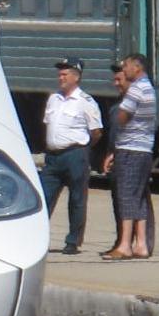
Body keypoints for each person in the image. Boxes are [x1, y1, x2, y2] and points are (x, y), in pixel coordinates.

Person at [40, 57, 103, 254]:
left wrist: (82, 149)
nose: (61, 78)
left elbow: (96, 132)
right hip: (53, 157)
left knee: (76, 199)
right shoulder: (53, 98)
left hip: (75, 155)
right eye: (60, 74)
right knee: (43, 198)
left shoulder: (85, 102)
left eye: (65, 74)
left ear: (76, 77)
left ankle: (73, 242)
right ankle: (38, 239)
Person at [103, 52, 157, 259]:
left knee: (126, 194)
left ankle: (125, 244)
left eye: (126, 66)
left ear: (137, 67)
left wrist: (121, 119)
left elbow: (122, 117)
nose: (123, 70)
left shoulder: (136, 89)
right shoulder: (149, 88)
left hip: (130, 149)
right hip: (144, 149)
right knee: (139, 196)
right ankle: (141, 244)